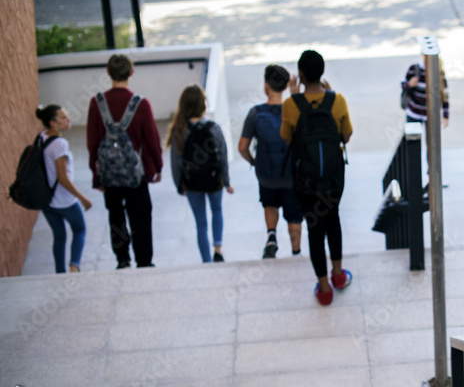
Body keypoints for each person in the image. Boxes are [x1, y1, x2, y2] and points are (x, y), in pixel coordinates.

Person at [281, 49, 353, 305]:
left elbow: (288, 140)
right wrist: (331, 95)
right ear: (322, 73)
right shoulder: (338, 100)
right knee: (333, 220)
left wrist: (294, 98)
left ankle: (324, 289)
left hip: (306, 182)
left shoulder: (291, 105)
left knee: (314, 229)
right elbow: (345, 137)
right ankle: (338, 275)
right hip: (333, 179)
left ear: (300, 75)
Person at [87, 53, 163, 269]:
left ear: (108, 73)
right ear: (131, 72)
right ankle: (144, 261)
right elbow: (152, 140)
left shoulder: (96, 103)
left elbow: (92, 143)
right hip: (136, 174)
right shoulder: (141, 104)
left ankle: (122, 259)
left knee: (116, 215)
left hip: (109, 174)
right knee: (141, 216)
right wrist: (156, 167)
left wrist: (96, 174)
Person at [239, 64, 303, 259]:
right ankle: (296, 252)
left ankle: (272, 236)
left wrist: (254, 162)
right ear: (285, 87)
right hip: (291, 176)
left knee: (270, 204)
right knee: (294, 215)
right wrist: (295, 96)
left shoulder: (255, 113)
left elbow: (242, 147)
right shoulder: (293, 111)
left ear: (266, 86)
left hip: (266, 175)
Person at [166, 85, 232, 263]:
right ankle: (218, 248)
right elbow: (223, 156)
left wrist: (179, 184)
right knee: (217, 210)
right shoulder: (213, 128)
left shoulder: (179, 130)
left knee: (200, 224)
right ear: (203, 104)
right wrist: (226, 181)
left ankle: (206, 261)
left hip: (192, 183)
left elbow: (175, 161)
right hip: (213, 179)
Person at [35, 104, 92, 273]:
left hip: (47, 201)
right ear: (52, 123)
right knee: (80, 229)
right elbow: (63, 178)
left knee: (59, 237)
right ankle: (74, 267)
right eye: (63, 117)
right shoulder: (60, 144)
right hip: (64, 201)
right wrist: (82, 198)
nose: (68, 119)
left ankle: (60, 273)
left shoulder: (41, 137)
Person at [401, 62, 449, 127]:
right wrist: (409, 84)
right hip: (414, 113)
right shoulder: (414, 68)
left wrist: (445, 115)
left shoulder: (438, 71)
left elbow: (444, 95)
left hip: (432, 115)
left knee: (433, 136)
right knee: (412, 136)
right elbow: (403, 84)